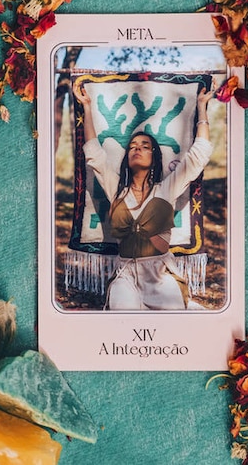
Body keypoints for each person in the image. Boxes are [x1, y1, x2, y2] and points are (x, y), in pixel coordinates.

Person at [73, 80, 216, 310]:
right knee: (123, 312)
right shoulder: (117, 189)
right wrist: (87, 107)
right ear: (127, 157)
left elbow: (199, 155)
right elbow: (94, 154)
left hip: (159, 273)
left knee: (174, 316)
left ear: (154, 158)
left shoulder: (165, 189)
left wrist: (201, 106)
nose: (137, 148)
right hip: (126, 274)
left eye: (145, 146)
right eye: (132, 146)